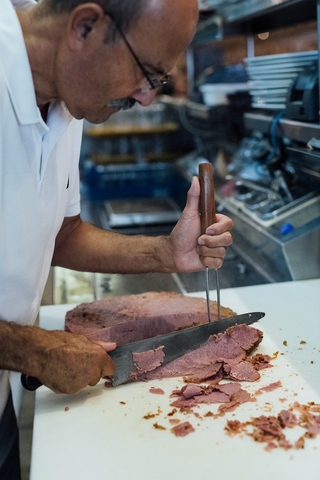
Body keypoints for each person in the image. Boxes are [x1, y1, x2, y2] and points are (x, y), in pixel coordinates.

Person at [0, 0, 233, 477]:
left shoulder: (71, 97)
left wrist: (164, 252)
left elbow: (61, 233)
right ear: (86, 26)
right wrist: (30, 349)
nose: (147, 98)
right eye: (146, 74)